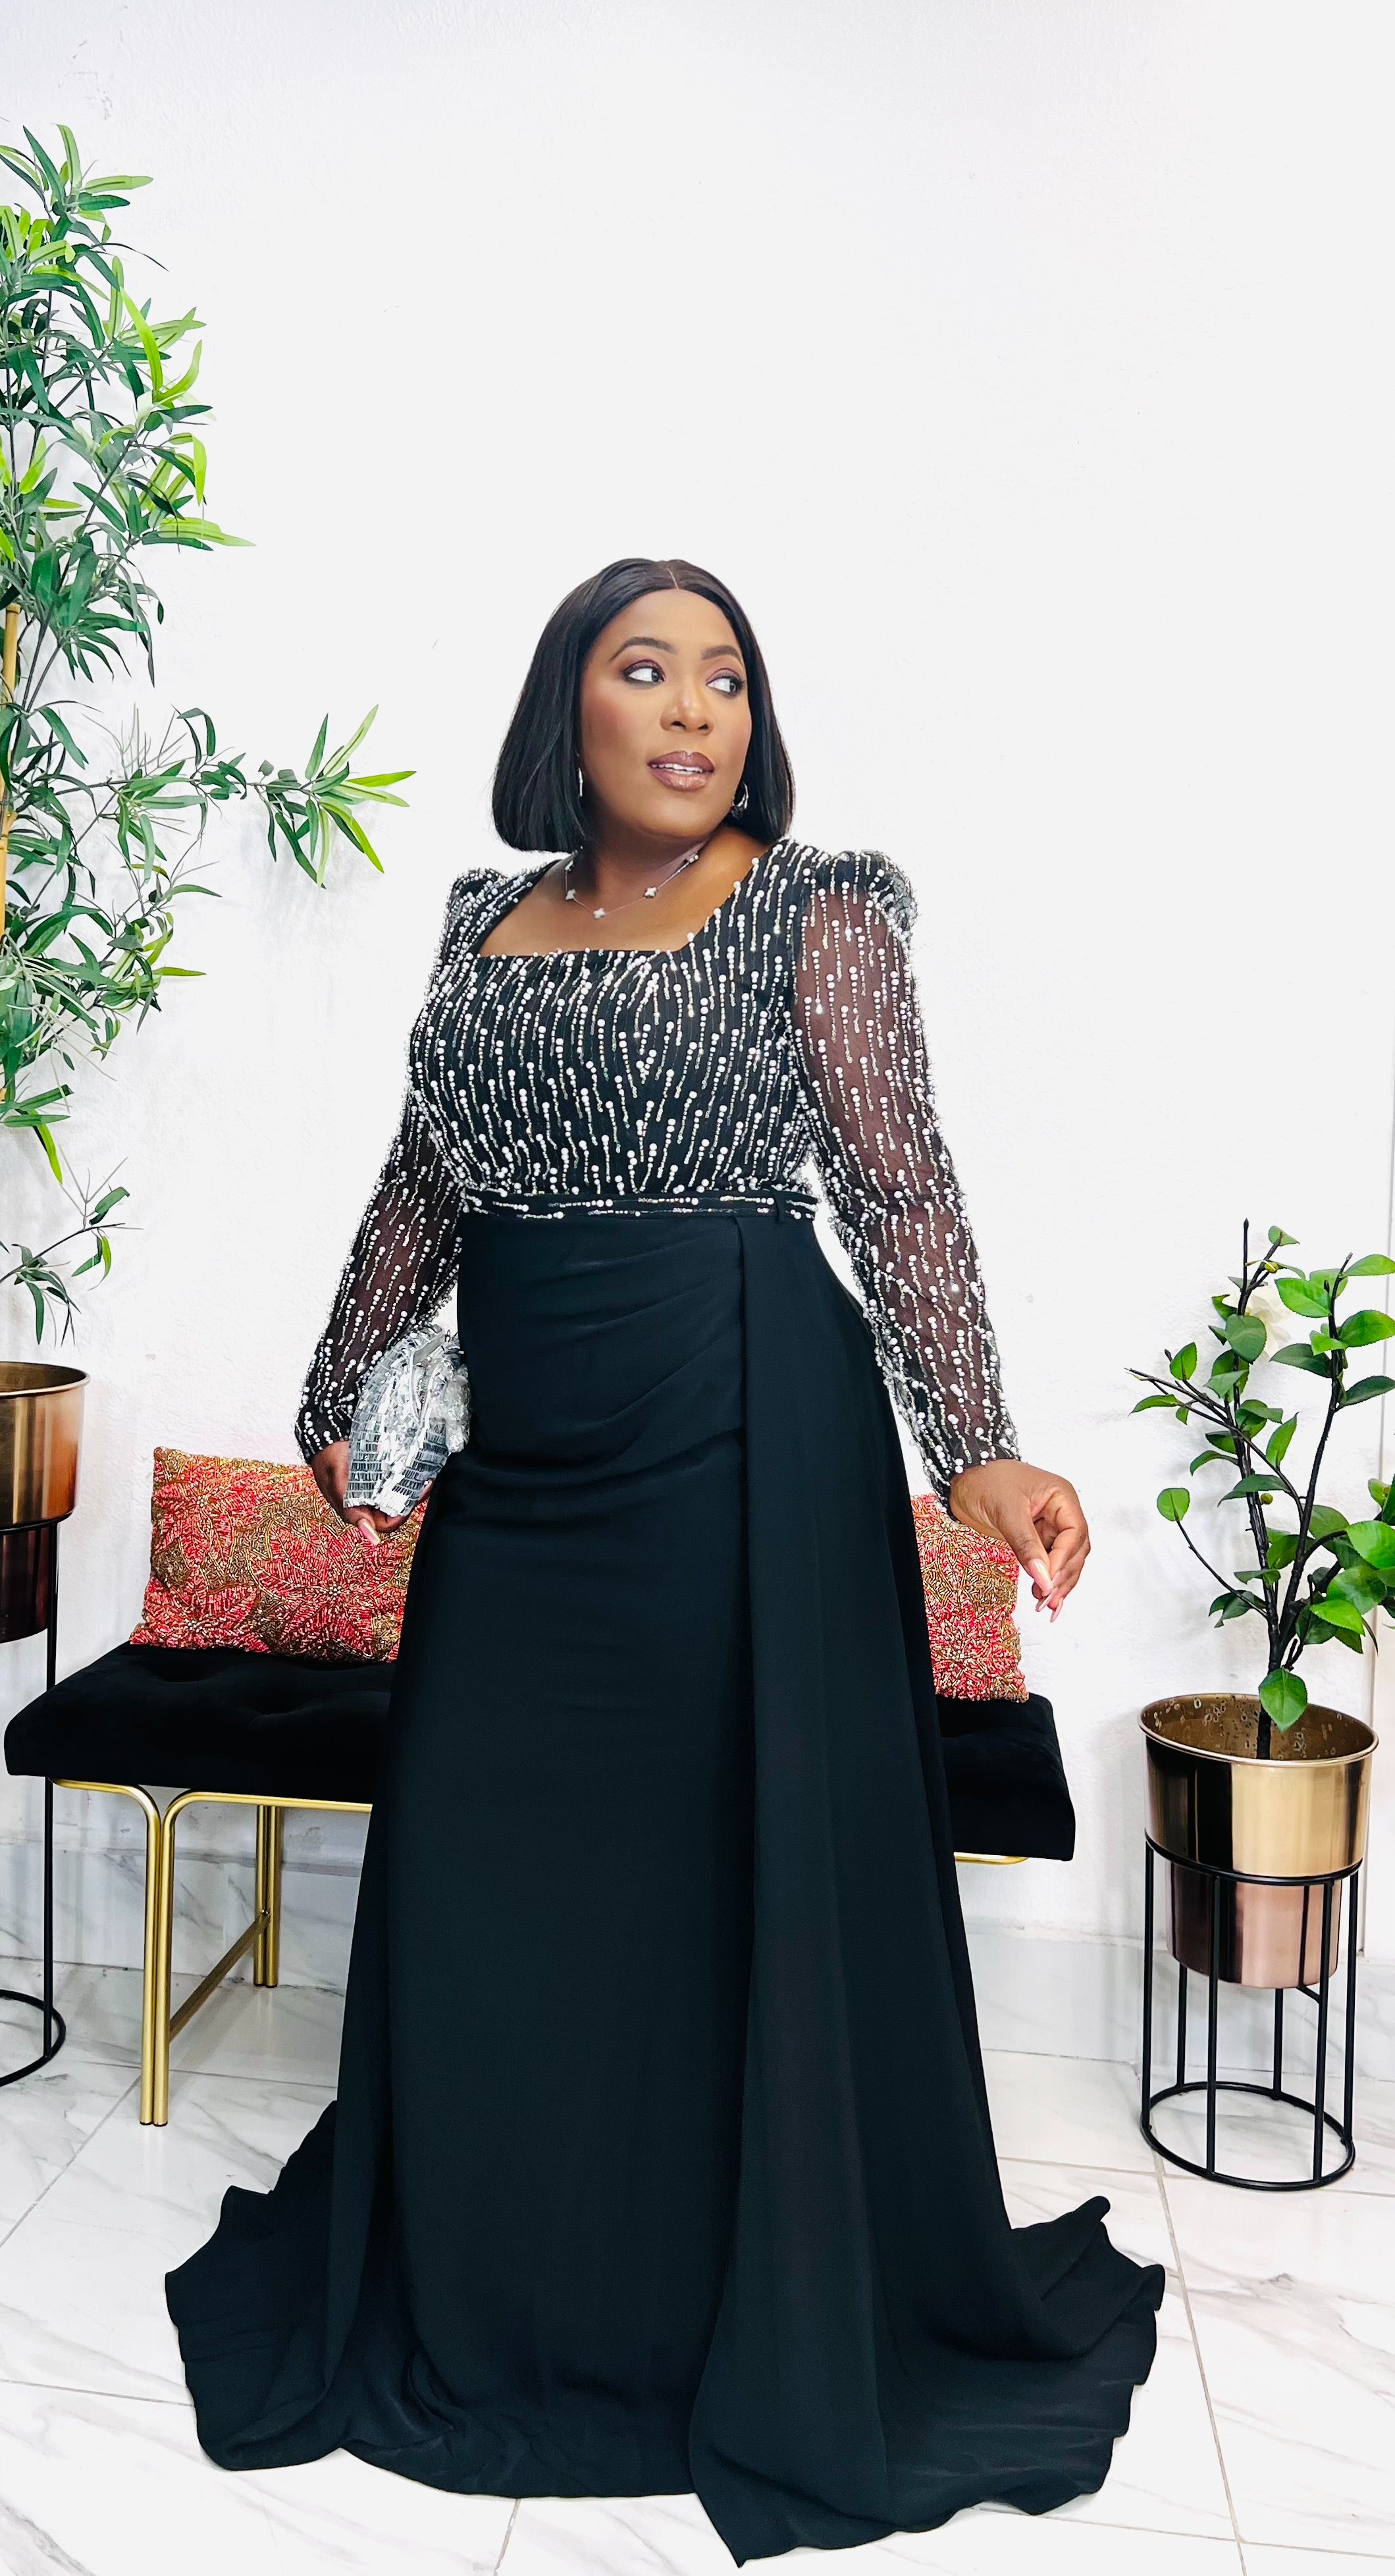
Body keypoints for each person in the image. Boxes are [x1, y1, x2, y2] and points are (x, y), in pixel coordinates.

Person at [167, 557, 1160, 2565]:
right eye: (648, 670)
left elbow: (901, 1184)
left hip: (740, 1431)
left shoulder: (819, 908)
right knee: (488, 1858)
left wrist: (977, 1447)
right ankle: (512, 2284)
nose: (695, 709)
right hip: (528, 1464)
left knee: (720, 1872)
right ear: (573, 708)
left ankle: (713, 2308)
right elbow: (425, 1177)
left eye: (727, 678)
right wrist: (341, 1377)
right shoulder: (482, 919)